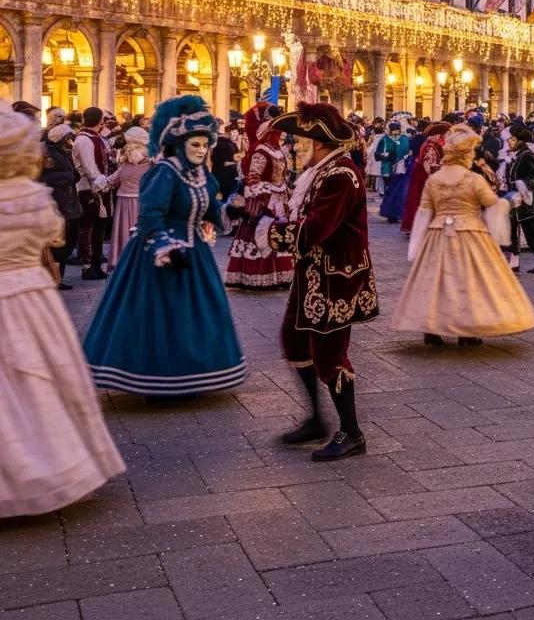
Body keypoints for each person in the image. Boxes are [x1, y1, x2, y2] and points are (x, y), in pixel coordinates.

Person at [0, 103, 125, 518]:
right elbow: (55, 237)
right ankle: (55, 463)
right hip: (32, 296)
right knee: (40, 376)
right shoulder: (32, 195)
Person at [83, 96, 248, 396]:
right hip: (156, 254)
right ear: (178, 143)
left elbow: (211, 211)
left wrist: (233, 211)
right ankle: (156, 377)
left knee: (195, 314)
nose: (200, 150)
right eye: (194, 144)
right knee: (160, 315)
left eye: (203, 144)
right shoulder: (164, 172)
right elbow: (150, 217)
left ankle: (195, 372)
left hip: (194, 253)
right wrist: (164, 247)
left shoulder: (201, 176)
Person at [255, 103, 379, 460]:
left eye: (301, 139)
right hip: (311, 275)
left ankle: (352, 432)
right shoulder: (321, 171)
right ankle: (316, 419)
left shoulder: (341, 175)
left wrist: (271, 233)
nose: (295, 146)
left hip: (335, 279)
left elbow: (316, 228)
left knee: (330, 355)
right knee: (294, 342)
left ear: (319, 141)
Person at [394, 124, 534, 347]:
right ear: (464, 154)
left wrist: (416, 247)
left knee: (437, 282)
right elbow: (493, 205)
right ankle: (467, 331)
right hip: (471, 234)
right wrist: (511, 200)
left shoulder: (434, 180)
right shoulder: (473, 180)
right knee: (470, 281)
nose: (473, 156)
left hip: (438, 234)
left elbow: (423, 213)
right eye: (471, 152)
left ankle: (433, 329)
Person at [225, 103, 293, 291]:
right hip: (265, 201)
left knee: (278, 235)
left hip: (279, 200)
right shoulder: (261, 150)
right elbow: (253, 177)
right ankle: (257, 275)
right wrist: (265, 197)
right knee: (260, 233)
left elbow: (281, 174)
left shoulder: (277, 150)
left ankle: (280, 275)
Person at [40, 122, 82, 290]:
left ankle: (58, 276)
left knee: (69, 239)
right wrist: (69, 177)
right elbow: (46, 178)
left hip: (66, 201)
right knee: (59, 242)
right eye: (68, 138)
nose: (70, 142)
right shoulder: (49, 154)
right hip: (57, 202)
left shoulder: (61, 153)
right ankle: (56, 277)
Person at [73, 106, 112, 280]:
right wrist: (101, 183)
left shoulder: (97, 138)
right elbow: (89, 167)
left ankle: (96, 263)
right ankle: (87, 265)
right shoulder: (83, 139)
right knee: (87, 227)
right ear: (99, 120)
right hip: (88, 189)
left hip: (100, 187)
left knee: (99, 227)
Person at [506, 123, 534, 274]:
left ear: (519, 140)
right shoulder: (516, 155)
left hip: (526, 200)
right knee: (511, 229)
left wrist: (523, 185)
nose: (509, 142)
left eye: (512, 139)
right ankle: (514, 261)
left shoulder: (527, 155)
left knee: (530, 229)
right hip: (514, 199)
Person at [107, 126, 150, 271]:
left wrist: (99, 183)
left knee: (124, 231)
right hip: (141, 203)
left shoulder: (125, 166)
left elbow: (112, 180)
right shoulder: (151, 165)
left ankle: (124, 259)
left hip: (126, 203)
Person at [399, 121, 450, 234]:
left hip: (423, 176)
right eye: (445, 134)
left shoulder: (432, 144)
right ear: (439, 135)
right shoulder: (430, 146)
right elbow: (429, 166)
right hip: (424, 178)